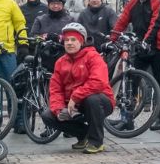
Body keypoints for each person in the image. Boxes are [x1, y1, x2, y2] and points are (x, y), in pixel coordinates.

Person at [41, 23, 115, 154]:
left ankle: (96, 142)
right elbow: (55, 89)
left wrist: (75, 97)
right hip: (73, 105)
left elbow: (98, 82)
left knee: (91, 99)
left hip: (100, 102)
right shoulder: (60, 62)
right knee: (48, 115)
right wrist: (59, 109)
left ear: (81, 41)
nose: (69, 43)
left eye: (73, 40)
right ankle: (84, 135)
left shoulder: (93, 57)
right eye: (67, 40)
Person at [110, 0, 160, 131]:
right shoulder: (132, 3)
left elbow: (155, 24)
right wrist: (111, 39)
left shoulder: (158, 2)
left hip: (158, 47)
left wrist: (146, 41)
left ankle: (159, 118)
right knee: (132, 81)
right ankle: (127, 118)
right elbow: (122, 21)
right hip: (139, 46)